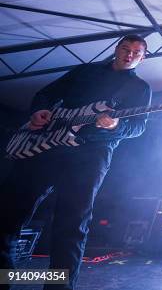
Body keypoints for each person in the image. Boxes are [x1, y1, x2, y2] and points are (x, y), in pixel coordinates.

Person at [0, 35, 151, 290]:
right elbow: (46, 94)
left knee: (70, 223)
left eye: (137, 52)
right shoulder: (85, 71)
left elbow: (137, 128)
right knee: (8, 213)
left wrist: (116, 124)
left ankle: (58, 287)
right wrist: (39, 110)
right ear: (116, 49)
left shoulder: (140, 88)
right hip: (46, 146)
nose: (130, 55)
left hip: (90, 154)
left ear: (143, 57)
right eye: (126, 48)